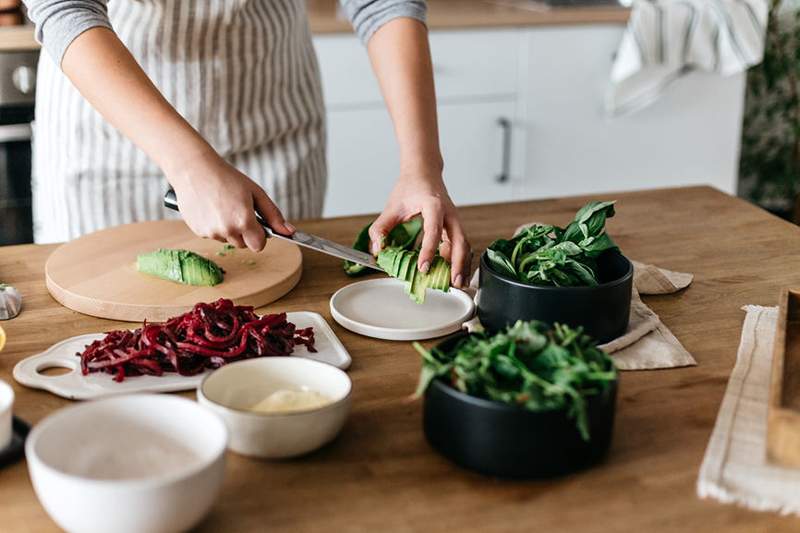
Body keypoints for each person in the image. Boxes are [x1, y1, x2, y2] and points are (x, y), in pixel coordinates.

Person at [23, 0, 471, 287]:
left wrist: (422, 167)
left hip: (269, 124)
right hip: (112, 137)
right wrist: (191, 164)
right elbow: (65, 8)